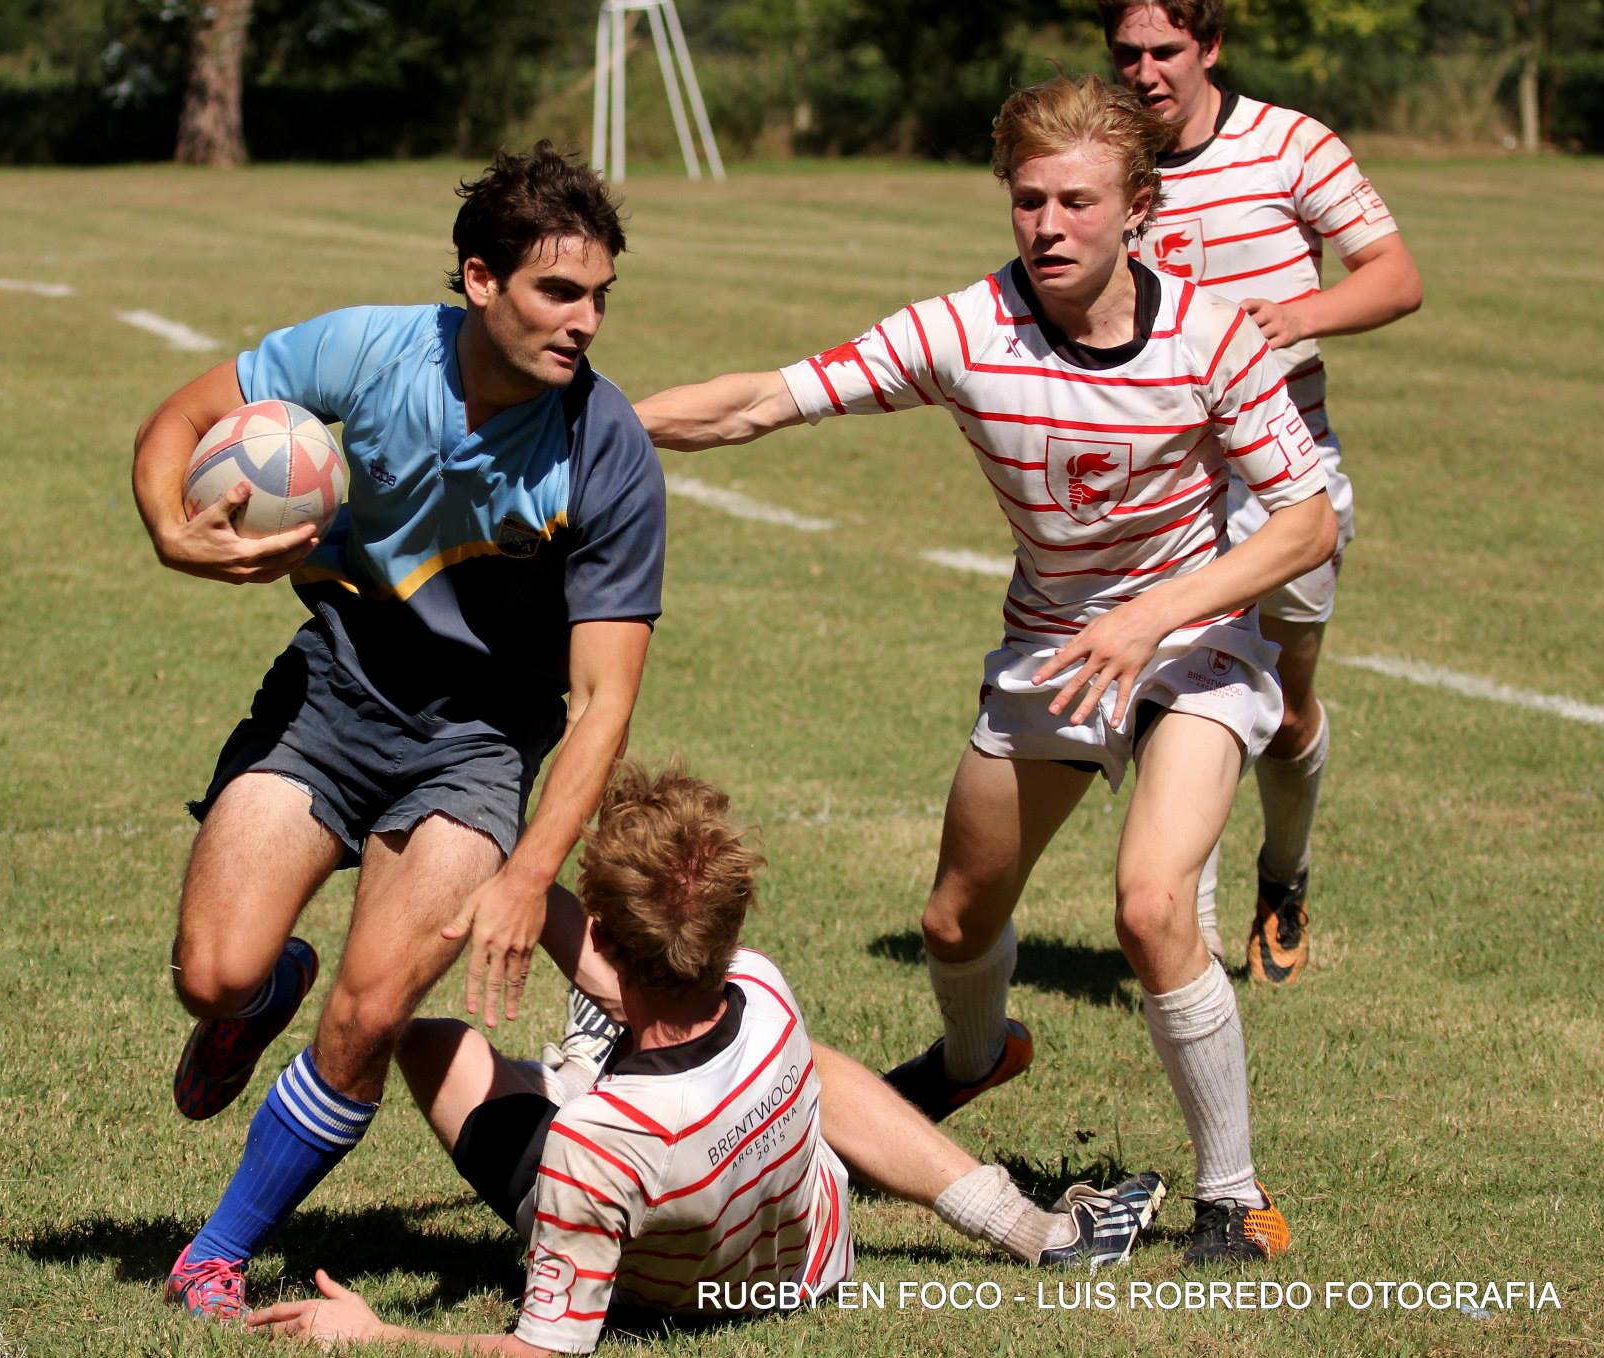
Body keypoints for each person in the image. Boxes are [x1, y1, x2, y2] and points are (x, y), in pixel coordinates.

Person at [634, 75, 1336, 1265]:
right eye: (1026, 201)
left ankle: (1234, 1196)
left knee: (1151, 903)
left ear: (1137, 208)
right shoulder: (962, 329)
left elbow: (1303, 524)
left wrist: (1154, 612)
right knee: (955, 919)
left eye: (1074, 200)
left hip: (1198, 646)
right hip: (1049, 652)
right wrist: (589, 419)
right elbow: (762, 398)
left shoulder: (1210, 336)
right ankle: (976, 1057)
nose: (1047, 225)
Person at [129, 142, 668, 1320]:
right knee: (213, 972)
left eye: (598, 299)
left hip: (476, 741)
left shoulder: (604, 450)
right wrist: (175, 532)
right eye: (556, 292)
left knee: (374, 1007)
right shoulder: (369, 348)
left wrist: (531, 870)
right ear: (479, 278)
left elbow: (604, 702)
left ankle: (213, 1253)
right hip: (333, 688)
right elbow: (185, 411)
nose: (583, 322)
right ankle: (260, 994)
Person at [247, 763, 1166, 1353]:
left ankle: (568, 1068)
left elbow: (538, 1354)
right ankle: (1028, 1228)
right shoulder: (761, 991)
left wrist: (374, 1334)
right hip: (815, 1258)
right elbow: (638, 975)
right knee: (808, 1062)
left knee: (432, 1040)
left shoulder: (594, 1149)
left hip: (674, 1287)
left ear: (605, 934)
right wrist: (524, 874)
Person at [1101, 0, 1423, 982]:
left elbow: (1393, 277)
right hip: (1170, 485)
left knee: (1282, 712)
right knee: (1168, 688)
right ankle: (1180, 938)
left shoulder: (1290, 144)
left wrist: (1292, 316)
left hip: (1289, 476)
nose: (1145, 71)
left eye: (1164, 51)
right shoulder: (1112, 165)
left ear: (1209, 47)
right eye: (1127, 53)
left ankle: (1282, 873)